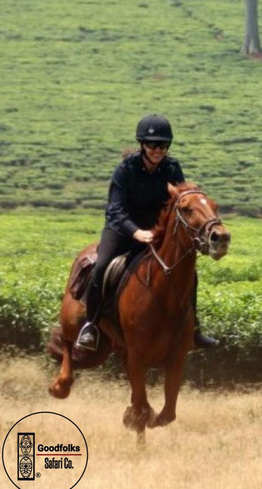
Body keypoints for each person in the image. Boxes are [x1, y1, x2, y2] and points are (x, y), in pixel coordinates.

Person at [74, 114, 219, 352]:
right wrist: (136, 233)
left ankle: (194, 330)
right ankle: (91, 325)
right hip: (121, 229)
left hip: (156, 230)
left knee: (188, 274)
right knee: (101, 267)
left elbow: (179, 202)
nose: (157, 150)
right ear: (142, 144)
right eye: (152, 145)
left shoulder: (172, 168)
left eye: (163, 145)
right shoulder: (125, 170)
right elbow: (115, 210)